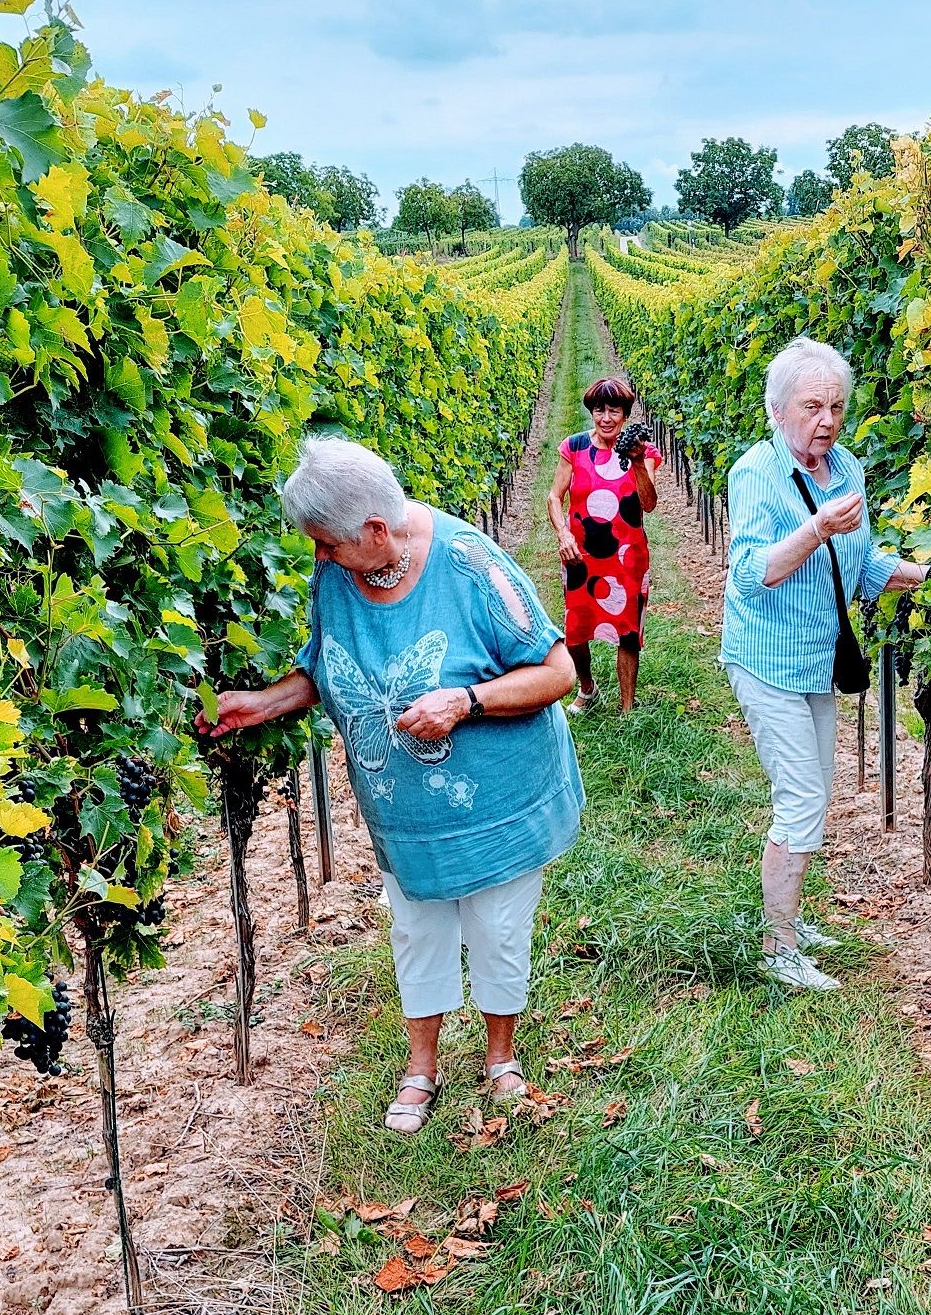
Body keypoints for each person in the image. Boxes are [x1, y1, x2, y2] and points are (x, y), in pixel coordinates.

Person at [197, 432, 581, 1135]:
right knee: (417, 931)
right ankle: (421, 1068)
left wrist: (464, 701)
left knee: (496, 930)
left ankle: (501, 1061)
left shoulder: (471, 567)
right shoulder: (341, 572)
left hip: (499, 802)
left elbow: (558, 673)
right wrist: (264, 702)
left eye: (328, 544)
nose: (319, 557)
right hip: (403, 814)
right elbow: (329, 667)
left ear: (375, 529)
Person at [721, 337, 929, 992]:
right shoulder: (755, 474)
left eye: (837, 406)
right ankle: (777, 948)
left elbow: (862, 568)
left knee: (817, 791)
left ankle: (789, 919)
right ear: (778, 410)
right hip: (765, 657)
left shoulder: (848, 471)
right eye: (813, 406)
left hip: (818, 659)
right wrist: (815, 530)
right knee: (802, 795)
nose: (828, 420)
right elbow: (754, 575)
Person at [547, 373, 661, 713]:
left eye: (614, 411)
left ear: (625, 414)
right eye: (599, 410)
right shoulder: (574, 447)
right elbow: (554, 497)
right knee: (576, 628)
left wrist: (638, 461)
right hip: (580, 556)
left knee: (627, 630)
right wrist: (563, 534)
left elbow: (649, 503)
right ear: (591, 413)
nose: (606, 418)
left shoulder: (644, 452)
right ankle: (587, 688)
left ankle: (628, 707)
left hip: (628, 556)